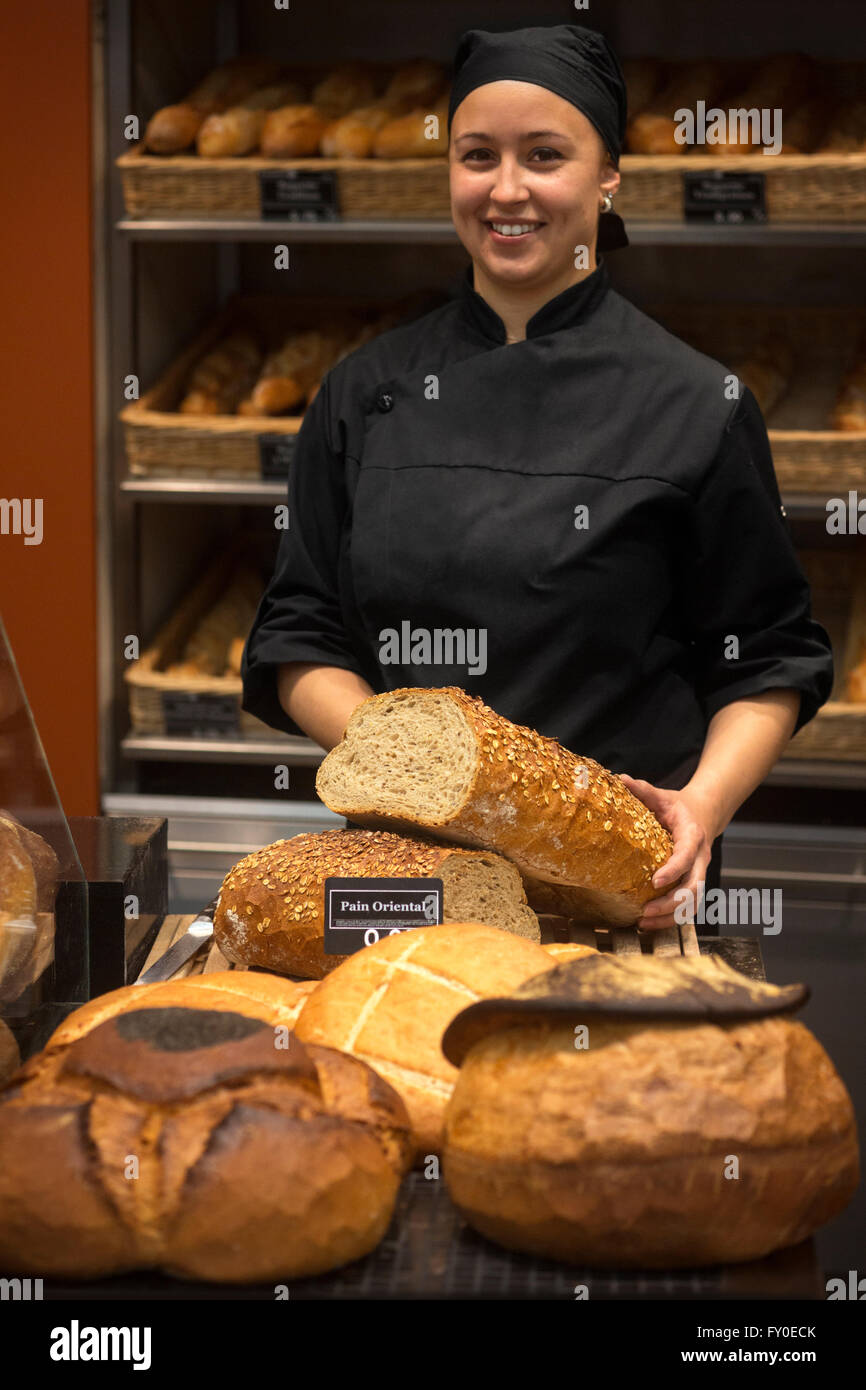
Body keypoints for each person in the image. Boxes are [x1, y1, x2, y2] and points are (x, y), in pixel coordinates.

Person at [242, 24, 833, 931]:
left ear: (608, 177)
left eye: (545, 156)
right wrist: (417, 768)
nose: (506, 189)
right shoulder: (366, 391)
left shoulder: (694, 401)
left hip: (622, 883)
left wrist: (702, 808)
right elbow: (299, 629)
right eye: (478, 156)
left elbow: (765, 654)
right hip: (406, 886)